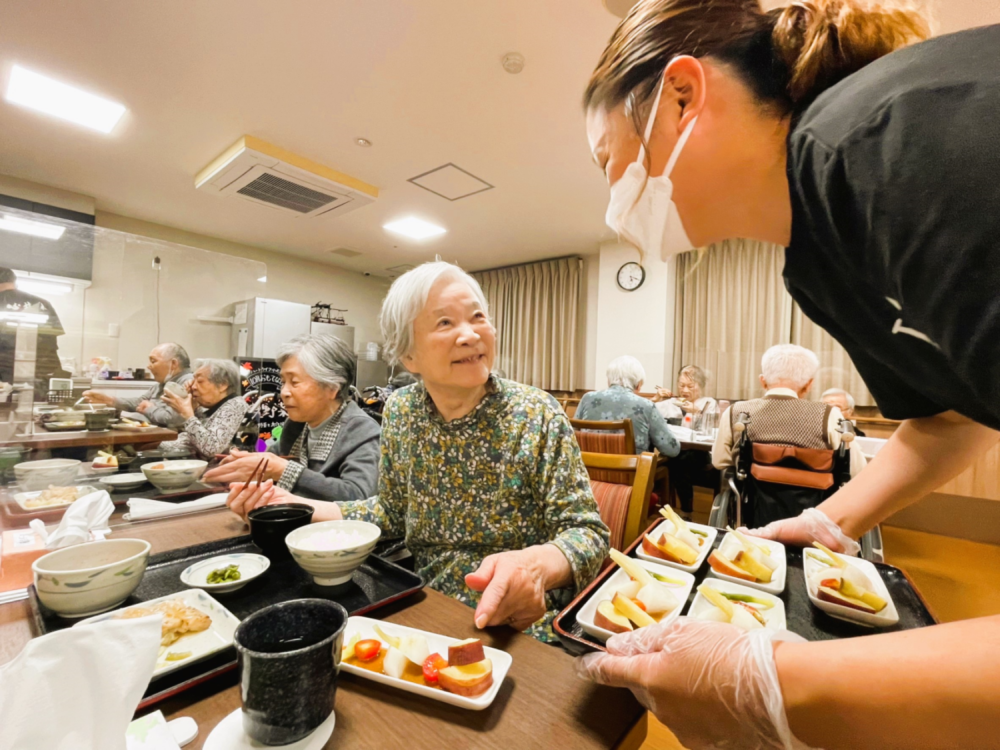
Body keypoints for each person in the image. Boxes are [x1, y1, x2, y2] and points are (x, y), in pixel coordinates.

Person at [579, 1, 1000, 747]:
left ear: (681, 96)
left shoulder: (884, 140)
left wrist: (779, 680)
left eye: (607, 158)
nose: (611, 189)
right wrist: (832, 519)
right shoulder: (820, 263)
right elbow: (951, 419)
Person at [226, 261, 610, 642]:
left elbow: (587, 533)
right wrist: (290, 504)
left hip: (520, 618)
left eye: (478, 317)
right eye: (445, 323)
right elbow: (391, 512)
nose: (470, 335)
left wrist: (535, 566)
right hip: (422, 601)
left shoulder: (536, 412)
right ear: (409, 356)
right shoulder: (402, 410)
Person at [204, 334, 379, 503]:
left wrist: (283, 470)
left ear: (332, 388)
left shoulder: (362, 430)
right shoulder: (296, 425)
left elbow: (360, 496)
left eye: (294, 382)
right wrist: (248, 462)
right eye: (283, 382)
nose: (284, 392)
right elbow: (272, 459)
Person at [712, 344, 866, 525]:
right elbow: (856, 469)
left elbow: (719, 461)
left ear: (763, 381)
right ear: (809, 385)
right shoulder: (828, 415)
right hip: (814, 520)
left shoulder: (736, 412)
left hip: (753, 514)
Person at [575, 355, 680, 457]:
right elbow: (671, 449)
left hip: (589, 470)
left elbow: (571, 436)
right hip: (633, 473)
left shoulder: (587, 399)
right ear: (638, 385)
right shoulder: (646, 406)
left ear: (609, 380)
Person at [83, 343, 193, 428]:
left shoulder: (188, 382)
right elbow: (140, 402)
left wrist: (149, 409)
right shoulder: (162, 384)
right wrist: (110, 400)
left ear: (173, 364)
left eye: (153, 361)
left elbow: (173, 420)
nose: (148, 366)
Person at [158, 359, 245, 459]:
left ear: (222, 385)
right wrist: (193, 407)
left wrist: (188, 415)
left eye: (199, 381)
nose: (193, 387)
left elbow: (211, 449)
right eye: (193, 381)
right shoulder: (216, 405)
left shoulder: (235, 406)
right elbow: (198, 435)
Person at [0, 266, 70, 390]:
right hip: (41, 378)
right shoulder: (42, 304)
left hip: (5, 377)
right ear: (14, 281)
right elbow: (51, 344)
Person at [652, 364, 716, 424]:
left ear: (701, 386)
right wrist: (655, 399)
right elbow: (646, 413)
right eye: (681, 385)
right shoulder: (671, 403)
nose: (685, 390)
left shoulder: (708, 403)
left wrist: (697, 412)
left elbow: (710, 427)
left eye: (690, 386)